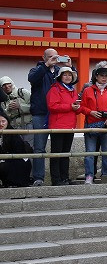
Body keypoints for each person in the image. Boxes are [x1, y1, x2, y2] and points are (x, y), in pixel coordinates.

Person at [27, 48, 62, 186]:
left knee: (57, 148)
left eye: (55, 57)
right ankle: (38, 178)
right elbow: (32, 79)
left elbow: (72, 82)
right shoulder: (37, 70)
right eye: (50, 57)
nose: (53, 59)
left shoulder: (60, 72)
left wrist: (70, 67)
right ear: (44, 57)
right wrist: (46, 65)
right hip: (41, 113)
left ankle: (58, 178)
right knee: (39, 147)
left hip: (57, 113)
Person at [79, 66, 107, 184]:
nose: (104, 78)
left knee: (106, 152)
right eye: (102, 75)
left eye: (106, 76)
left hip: (106, 124)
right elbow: (82, 106)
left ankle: (105, 175)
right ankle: (89, 176)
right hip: (91, 124)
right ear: (96, 76)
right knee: (90, 153)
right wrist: (90, 112)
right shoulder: (88, 90)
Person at [45, 65, 78, 186]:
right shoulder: (55, 89)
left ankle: (65, 178)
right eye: (65, 75)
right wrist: (70, 107)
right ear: (60, 77)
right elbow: (52, 106)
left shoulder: (72, 90)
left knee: (66, 153)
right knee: (56, 153)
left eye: (70, 75)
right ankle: (56, 179)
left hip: (70, 125)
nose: (68, 77)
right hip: (58, 125)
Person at [0, 114, 32, 188]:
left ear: (7, 122)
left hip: (17, 162)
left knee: (3, 165)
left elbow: (18, 151)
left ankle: (12, 182)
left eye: (3, 121)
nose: (1, 124)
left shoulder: (13, 134)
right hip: (6, 160)